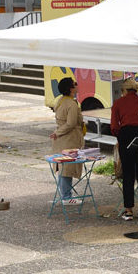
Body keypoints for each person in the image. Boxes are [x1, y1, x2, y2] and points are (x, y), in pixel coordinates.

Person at [110, 78, 138, 221]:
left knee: (128, 174)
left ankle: (128, 210)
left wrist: (119, 136)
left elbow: (114, 126)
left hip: (126, 136)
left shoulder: (118, 103)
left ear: (124, 90)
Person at [49, 77, 84, 205]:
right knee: (66, 168)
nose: (77, 85)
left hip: (62, 138)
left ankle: (65, 195)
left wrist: (57, 132)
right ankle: (66, 197)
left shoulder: (60, 100)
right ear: (71, 88)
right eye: (75, 84)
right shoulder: (71, 104)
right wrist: (57, 132)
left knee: (63, 168)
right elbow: (71, 123)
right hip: (69, 139)